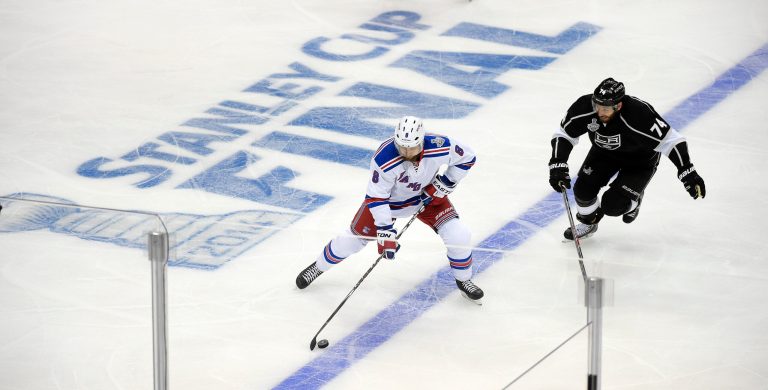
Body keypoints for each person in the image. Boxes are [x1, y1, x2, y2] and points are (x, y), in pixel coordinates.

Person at [295, 116, 484, 301]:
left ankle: (464, 280)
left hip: (426, 197)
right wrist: (385, 230)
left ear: (422, 141)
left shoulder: (439, 145)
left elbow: (467, 157)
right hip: (389, 204)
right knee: (351, 241)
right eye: (402, 147)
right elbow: (377, 197)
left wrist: (446, 182)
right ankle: (318, 266)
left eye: (411, 148)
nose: (406, 152)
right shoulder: (384, 157)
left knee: (459, 235)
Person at [548, 77, 706, 240]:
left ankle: (635, 200)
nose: (600, 112)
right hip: (604, 153)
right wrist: (557, 163)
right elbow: (564, 134)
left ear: (618, 106)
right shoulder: (585, 106)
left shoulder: (638, 113)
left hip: (639, 161)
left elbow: (671, 141)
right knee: (582, 190)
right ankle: (589, 223)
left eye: (605, 109)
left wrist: (687, 171)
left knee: (613, 205)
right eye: (597, 106)